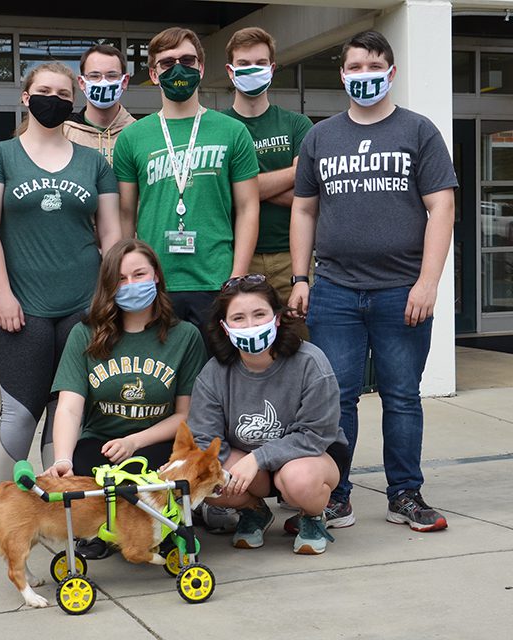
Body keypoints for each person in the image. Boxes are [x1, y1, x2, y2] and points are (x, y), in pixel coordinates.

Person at [289, 30, 457, 533]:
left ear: (391, 71)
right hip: (335, 290)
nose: (364, 75)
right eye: (355, 67)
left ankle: (404, 492)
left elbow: (442, 206)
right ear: (342, 74)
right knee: (336, 397)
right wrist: (302, 277)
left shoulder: (418, 131)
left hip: (401, 290)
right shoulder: (321, 136)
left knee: (402, 396)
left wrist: (428, 282)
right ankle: (334, 495)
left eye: (374, 66)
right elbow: (303, 209)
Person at [0, 62, 122, 552]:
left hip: (82, 307)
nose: (52, 98)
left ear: (73, 98)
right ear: (25, 97)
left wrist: (111, 298)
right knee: (18, 414)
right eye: (43, 91)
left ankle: (64, 512)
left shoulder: (95, 163)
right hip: (23, 307)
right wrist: (3, 293)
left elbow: (112, 236)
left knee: (67, 412)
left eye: (62, 92)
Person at [42, 238, 207, 557]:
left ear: (157, 276)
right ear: (108, 286)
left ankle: (164, 528)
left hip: (158, 442)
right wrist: (62, 460)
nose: (130, 285)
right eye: (120, 279)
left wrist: (134, 441)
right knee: (84, 467)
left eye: (139, 274)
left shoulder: (185, 336)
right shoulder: (85, 334)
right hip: (101, 442)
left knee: (168, 474)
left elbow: (185, 414)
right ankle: (102, 532)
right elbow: (70, 406)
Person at [114, 27, 260, 347]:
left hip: (216, 280)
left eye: (187, 60)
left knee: (217, 383)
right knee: (161, 387)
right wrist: (128, 279)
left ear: (201, 68)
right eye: (167, 63)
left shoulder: (233, 132)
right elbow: (125, 214)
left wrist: (237, 276)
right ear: (153, 74)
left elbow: (249, 206)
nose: (178, 69)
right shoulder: (132, 138)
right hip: (155, 284)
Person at [188, 275, 348, 555]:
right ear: (225, 328)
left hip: (311, 456)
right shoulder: (213, 374)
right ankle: (254, 511)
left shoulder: (311, 362)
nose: (250, 325)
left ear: (276, 318)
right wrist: (238, 467)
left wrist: (258, 458)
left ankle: (312, 516)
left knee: (299, 479)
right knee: (209, 478)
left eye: (259, 314)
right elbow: (205, 439)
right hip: (249, 462)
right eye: (238, 318)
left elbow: (316, 434)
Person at [222, 27, 313, 329]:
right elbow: (219, 192)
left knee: (301, 347)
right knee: (245, 348)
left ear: (272, 68)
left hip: (293, 259)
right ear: (230, 71)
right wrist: (286, 179)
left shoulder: (297, 124)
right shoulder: (218, 127)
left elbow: (307, 188)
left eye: (260, 63)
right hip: (237, 259)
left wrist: (244, 186)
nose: (252, 70)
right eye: (244, 64)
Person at [63, 44, 136, 165]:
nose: (103, 82)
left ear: (124, 81)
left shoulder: (138, 133)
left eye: (112, 75)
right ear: (81, 82)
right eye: (94, 76)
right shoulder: (64, 133)